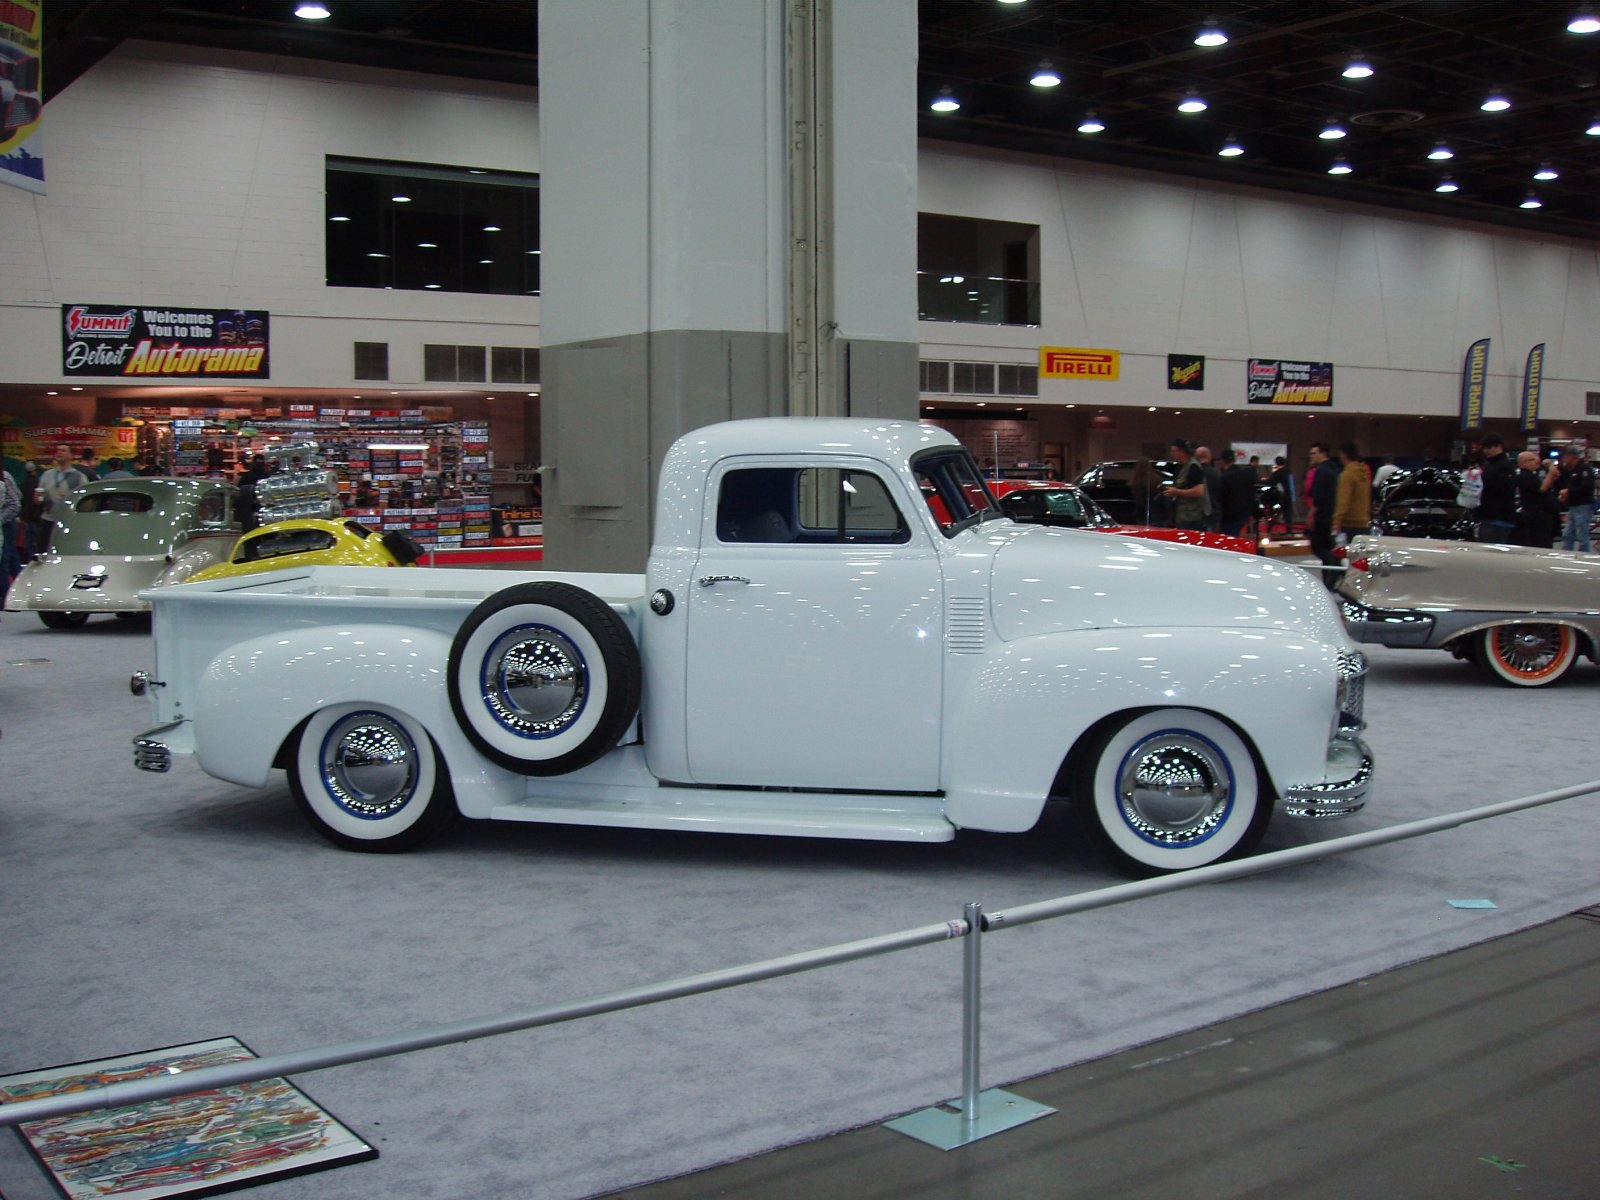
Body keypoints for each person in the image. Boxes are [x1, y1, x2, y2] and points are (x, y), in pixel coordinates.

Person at [35, 448, 87, 553]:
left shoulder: (79, 477)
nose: (59, 452)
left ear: (71, 456)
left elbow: (86, 502)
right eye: (57, 450)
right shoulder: (47, 475)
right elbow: (39, 498)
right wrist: (37, 499)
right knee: (44, 553)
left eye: (63, 450)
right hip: (48, 521)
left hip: (69, 522)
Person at [1306, 442, 1341, 586]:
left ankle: (1333, 573)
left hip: (1322, 516)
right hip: (1332, 514)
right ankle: (1330, 577)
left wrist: (1311, 515)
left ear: (1323, 453)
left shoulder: (1321, 471)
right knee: (1328, 547)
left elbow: (1318, 496)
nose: (1311, 456)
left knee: (1319, 547)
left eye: (1314, 453)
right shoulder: (1335, 469)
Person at [1550, 445, 1595, 552]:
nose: (1564, 459)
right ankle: (1566, 554)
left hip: (1583, 506)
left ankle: (1584, 556)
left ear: (1570, 456)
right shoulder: (1573, 470)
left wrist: (1569, 492)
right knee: (1567, 533)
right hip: (1573, 506)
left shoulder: (1584, 468)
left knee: (1582, 534)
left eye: (1565, 457)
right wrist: (1567, 494)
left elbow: (1587, 486)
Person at [1474, 433, 1517, 544]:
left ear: (1498, 446)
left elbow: (1506, 488)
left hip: (1500, 517)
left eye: (1488, 447)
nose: (1485, 451)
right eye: (1484, 448)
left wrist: (1483, 481)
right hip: (1487, 515)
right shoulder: (1487, 464)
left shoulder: (1506, 466)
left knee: (1493, 550)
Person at [1162, 438, 1209, 531]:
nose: (1171, 454)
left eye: (1174, 451)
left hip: (1192, 518)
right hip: (1182, 516)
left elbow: (1199, 491)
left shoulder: (1193, 467)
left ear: (1182, 452)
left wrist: (1176, 492)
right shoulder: (1180, 467)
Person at [1514, 451, 1558, 548]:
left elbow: (1547, 485)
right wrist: (1551, 472)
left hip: (1543, 514)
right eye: (1532, 460)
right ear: (1524, 462)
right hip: (1535, 515)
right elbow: (1541, 488)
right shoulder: (1525, 476)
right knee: (1540, 542)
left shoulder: (1534, 474)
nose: (1536, 462)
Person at [1332, 442, 1371, 546]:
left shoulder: (1346, 475)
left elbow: (1343, 502)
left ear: (1344, 454)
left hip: (1348, 524)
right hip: (1363, 523)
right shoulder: (1364, 474)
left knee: (1338, 558)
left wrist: (1337, 520)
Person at [1217, 449, 1258, 538]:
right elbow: (1252, 493)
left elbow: (1221, 497)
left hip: (1229, 515)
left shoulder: (1224, 477)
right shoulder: (1246, 474)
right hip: (1244, 513)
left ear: (1223, 461)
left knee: (1229, 539)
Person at [0, 467, 21, 611]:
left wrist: (1, 519)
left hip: (6, 524)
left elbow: (15, 503)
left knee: (4, 563)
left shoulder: (4, 477)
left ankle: (7, 600)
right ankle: (17, 597)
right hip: (5, 523)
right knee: (13, 562)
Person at [1194, 445, 1222, 531]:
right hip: (1214, 512)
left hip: (1195, 513)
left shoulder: (1193, 472)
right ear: (1209, 457)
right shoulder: (1216, 473)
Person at [1266, 456, 1294, 530]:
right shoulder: (1288, 471)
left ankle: (1269, 530)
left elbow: (1271, 482)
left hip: (1281, 496)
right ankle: (1289, 531)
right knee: (1288, 515)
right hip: (1288, 495)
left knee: (1275, 514)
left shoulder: (1278, 473)